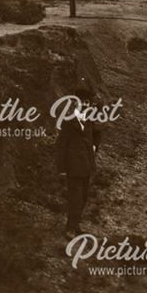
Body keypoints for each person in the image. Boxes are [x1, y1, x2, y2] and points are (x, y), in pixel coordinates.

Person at [56, 86, 102, 235]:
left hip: (87, 165)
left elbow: (96, 135)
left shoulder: (88, 120)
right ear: (76, 103)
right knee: (75, 198)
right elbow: (61, 145)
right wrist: (61, 168)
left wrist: (95, 147)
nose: (86, 105)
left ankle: (75, 226)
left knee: (83, 198)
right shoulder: (68, 121)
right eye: (83, 102)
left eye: (88, 102)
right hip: (73, 166)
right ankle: (70, 228)